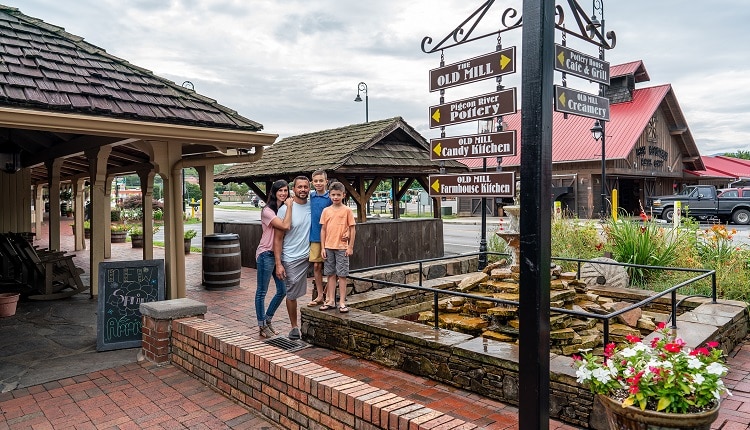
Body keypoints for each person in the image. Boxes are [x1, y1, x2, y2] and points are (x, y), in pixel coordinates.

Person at [274, 176, 311, 340]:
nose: (303, 190)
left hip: (311, 254)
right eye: (299, 187)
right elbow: (278, 238)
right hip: (291, 257)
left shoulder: (312, 205)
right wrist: (278, 263)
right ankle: (294, 326)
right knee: (291, 292)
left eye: (305, 187)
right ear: (293, 189)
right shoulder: (285, 209)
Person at [254, 180, 293, 338]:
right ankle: (262, 326)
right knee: (261, 292)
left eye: (285, 190)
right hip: (265, 254)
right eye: (280, 191)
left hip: (277, 254)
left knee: (282, 290)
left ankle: (268, 320)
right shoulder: (268, 211)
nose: (283, 193)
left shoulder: (281, 209)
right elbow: (284, 226)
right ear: (274, 192)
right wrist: (290, 207)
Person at [319, 181, 356, 313]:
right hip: (329, 246)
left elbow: (352, 229)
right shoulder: (326, 211)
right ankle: (331, 300)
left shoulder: (347, 211)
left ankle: (342, 301)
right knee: (330, 274)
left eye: (338, 195)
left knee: (342, 275)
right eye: (333, 195)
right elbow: (323, 230)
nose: (335, 197)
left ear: (343, 195)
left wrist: (350, 246)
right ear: (329, 195)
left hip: (342, 247)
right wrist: (322, 247)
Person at [307, 169, 332, 307]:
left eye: (321, 180)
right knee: (317, 265)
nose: (318, 183)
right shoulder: (311, 197)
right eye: (315, 181)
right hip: (315, 236)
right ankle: (320, 295)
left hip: (330, 237)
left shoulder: (330, 197)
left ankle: (329, 294)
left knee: (330, 267)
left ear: (326, 181)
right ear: (312, 182)